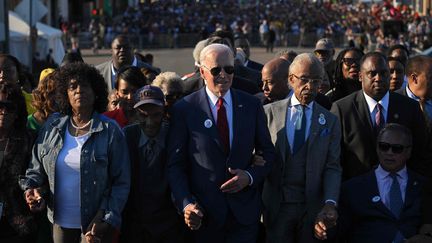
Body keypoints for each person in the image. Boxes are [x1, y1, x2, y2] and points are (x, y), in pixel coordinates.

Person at [167, 44, 275, 243]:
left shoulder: (251, 105)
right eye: (216, 70)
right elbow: (175, 165)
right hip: (204, 216)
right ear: (202, 71)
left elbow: (268, 153)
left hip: (243, 216)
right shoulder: (185, 109)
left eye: (229, 69)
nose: (223, 75)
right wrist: (186, 204)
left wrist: (249, 176)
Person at [19, 63, 130, 243]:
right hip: (59, 224)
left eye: (85, 85)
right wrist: (33, 190)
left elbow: (121, 182)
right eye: (73, 87)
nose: (79, 90)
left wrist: (106, 217)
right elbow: (35, 170)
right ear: (66, 95)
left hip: (96, 226)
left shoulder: (111, 130)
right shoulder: (52, 127)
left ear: (96, 92)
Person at [263, 53, 341, 243]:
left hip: (312, 210)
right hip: (276, 208)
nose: (310, 87)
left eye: (316, 81)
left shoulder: (330, 121)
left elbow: (333, 166)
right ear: (291, 79)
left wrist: (330, 203)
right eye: (304, 80)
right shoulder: (268, 114)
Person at [331, 52, 429, 180]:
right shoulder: (342, 109)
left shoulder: (410, 108)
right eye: (372, 74)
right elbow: (334, 159)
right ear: (360, 76)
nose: (378, 78)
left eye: (383, 73)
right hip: (356, 191)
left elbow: (422, 153)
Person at [336, 124, 427, 242]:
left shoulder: (423, 186)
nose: (389, 153)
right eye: (384, 147)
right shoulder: (353, 188)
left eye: (397, 148)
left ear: (408, 151)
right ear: (377, 148)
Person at [121, 85, 184, 243]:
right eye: (143, 115)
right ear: (135, 114)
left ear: (164, 112)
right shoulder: (126, 137)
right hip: (134, 227)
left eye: (156, 115)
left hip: (170, 227)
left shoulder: (175, 137)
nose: (150, 122)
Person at [0, 84, 36, 242]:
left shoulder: (29, 139)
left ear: (18, 112)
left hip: (18, 222)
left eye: (10, 108)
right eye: (0, 106)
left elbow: (36, 175)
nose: (4, 112)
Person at [261, 57, 332, 110]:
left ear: (289, 79)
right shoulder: (263, 104)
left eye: (269, 82)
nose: (264, 87)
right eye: (263, 82)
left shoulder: (321, 102)